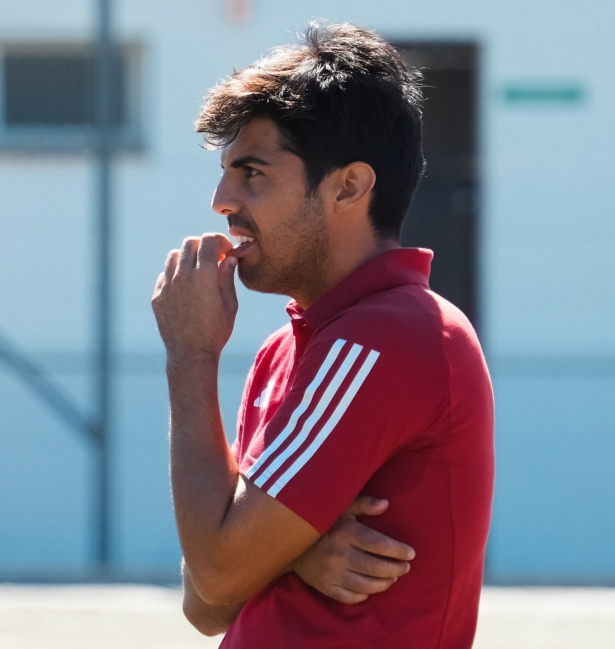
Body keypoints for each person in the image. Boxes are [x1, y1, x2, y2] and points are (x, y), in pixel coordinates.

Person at [151, 22, 494, 648]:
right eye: (227, 172)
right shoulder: (287, 349)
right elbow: (204, 605)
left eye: (252, 172)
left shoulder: (393, 337)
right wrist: (290, 552)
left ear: (349, 186)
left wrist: (191, 354)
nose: (222, 201)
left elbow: (220, 571)